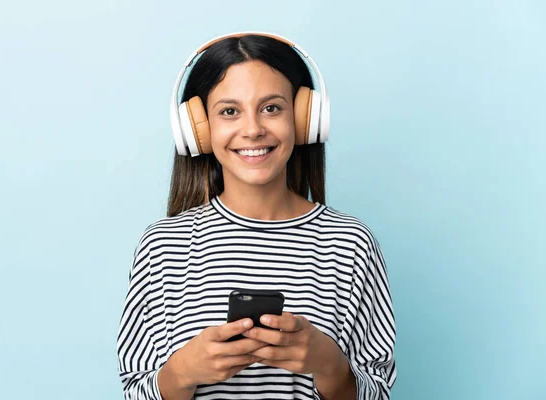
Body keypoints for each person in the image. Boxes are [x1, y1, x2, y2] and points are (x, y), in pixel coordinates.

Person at [116, 32, 397, 400]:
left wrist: (329, 365)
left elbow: (378, 391)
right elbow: (134, 390)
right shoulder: (162, 246)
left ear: (303, 118)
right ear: (198, 129)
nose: (252, 130)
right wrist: (182, 372)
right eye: (229, 111)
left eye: (271, 108)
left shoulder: (351, 244)